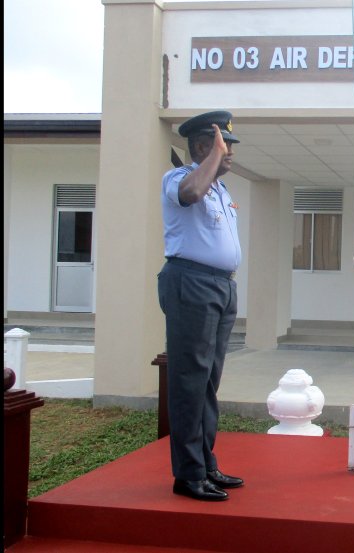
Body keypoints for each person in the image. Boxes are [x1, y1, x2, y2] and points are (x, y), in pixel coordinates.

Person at [157, 111, 244, 502]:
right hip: (190, 283)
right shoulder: (179, 179)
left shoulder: (221, 190)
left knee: (208, 381)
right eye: (224, 147)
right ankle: (188, 475)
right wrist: (210, 161)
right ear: (202, 146)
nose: (230, 155)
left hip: (221, 288)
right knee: (189, 381)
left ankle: (206, 464)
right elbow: (190, 194)